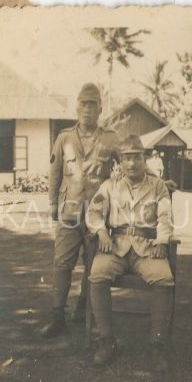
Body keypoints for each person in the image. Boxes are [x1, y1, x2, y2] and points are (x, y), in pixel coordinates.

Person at [86, 134, 175, 372]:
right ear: (121, 161)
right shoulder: (110, 186)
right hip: (115, 247)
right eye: (127, 158)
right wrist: (101, 231)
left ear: (144, 159)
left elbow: (166, 216)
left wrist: (162, 240)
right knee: (97, 274)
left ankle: (157, 345)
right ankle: (107, 341)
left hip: (146, 249)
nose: (132, 163)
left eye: (136, 157)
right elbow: (93, 212)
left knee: (164, 278)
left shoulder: (158, 186)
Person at [40, 83, 120, 337]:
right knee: (62, 264)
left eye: (93, 104)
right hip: (69, 213)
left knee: (93, 266)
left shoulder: (110, 138)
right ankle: (57, 317)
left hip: (98, 216)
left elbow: (131, 162)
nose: (87, 109)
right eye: (83, 103)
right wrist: (53, 203)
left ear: (100, 108)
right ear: (76, 107)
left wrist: (158, 180)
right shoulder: (64, 138)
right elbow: (54, 174)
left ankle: (84, 310)